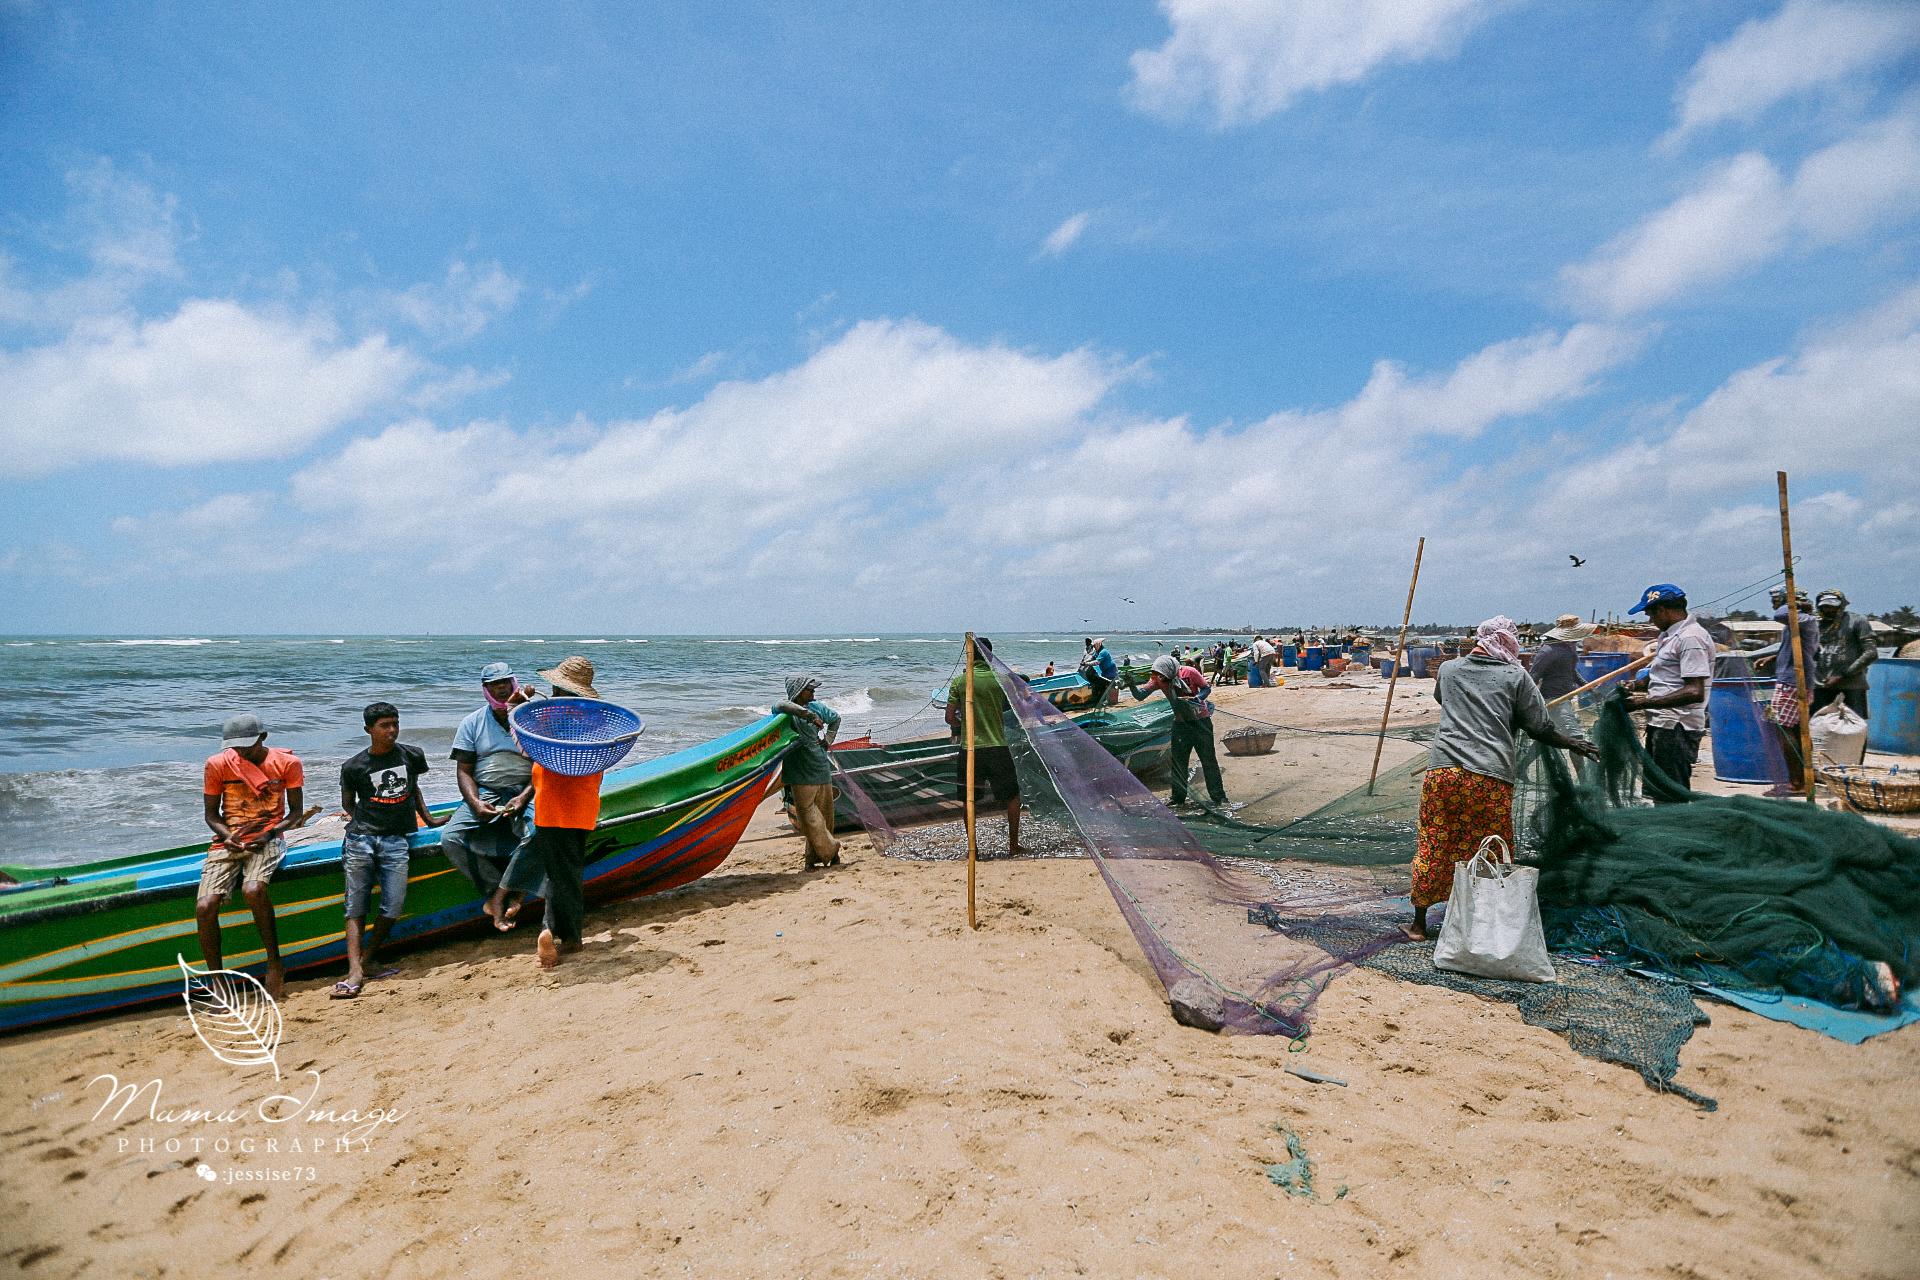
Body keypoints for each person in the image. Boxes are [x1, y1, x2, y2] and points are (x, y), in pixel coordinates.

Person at [1407, 617, 1597, 940]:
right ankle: (1486, 924)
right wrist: (1573, 742)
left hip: (1443, 774)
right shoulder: (1515, 675)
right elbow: (1540, 727)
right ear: (1508, 643)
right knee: (1491, 847)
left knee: (1435, 841)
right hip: (1490, 778)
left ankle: (1419, 925)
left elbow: (1443, 699)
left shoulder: (1449, 670)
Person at [488, 656, 606, 968]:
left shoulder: (554, 725)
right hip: (582, 807)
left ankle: (555, 933)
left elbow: (524, 744)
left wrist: (514, 706)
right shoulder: (593, 724)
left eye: (555, 690)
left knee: (561, 875)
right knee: (566, 872)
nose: (552, 695)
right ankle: (566, 936)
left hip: (553, 807)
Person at [334, 702, 445, 999]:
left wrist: (430, 820)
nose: (392, 731)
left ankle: (368, 960)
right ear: (368, 729)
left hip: (397, 839)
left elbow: (414, 789)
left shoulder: (411, 755)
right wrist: (370, 820)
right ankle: (354, 969)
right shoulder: (354, 766)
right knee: (356, 905)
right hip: (360, 839)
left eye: (395, 724)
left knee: (393, 905)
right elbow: (348, 805)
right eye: (385, 726)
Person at [197, 713, 307, 997]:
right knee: (205, 907)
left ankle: (274, 963)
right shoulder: (218, 764)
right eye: (236, 746)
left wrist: (268, 834)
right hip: (229, 840)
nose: (241, 751)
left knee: (253, 889)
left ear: (263, 737)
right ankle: (217, 980)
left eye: (248, 745)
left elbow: (295, 814)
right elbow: (211, 815)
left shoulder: (287, 763)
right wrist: (227, 836)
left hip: (266, 837)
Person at [441, 662, 538, 915]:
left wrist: (523, 796)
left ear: (514, 683)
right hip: (487, 790)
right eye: (495, 685)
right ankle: (497, 891)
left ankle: (514, 892)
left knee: (538, 832)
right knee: (450, 838)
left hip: (527, 788)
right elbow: (464, 770)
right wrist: (474, 802)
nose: (502, 689)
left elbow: (543, 765)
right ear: (485, 689)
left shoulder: (530, 717)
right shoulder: (472, 722)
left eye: (506, 682)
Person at [1623, 584, 1714, 799]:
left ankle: (1676, 831)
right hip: (1662, 724)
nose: (1649, 620)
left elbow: (1694, 691)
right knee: (1659, 790)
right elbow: (1664, 674)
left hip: (1677, 727)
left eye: (1650, 614)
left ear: (1662, 610)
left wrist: (1642, 702)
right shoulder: (1670, 636)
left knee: (1671, 793)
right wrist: (1636, 685)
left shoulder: (1690, 639)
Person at [945, 638, 1027, 855]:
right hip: (997, 745)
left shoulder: (960, 682)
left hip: (970, 748)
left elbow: (949, 717)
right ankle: (1013, 845)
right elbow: (1016, 707)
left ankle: (973, 849)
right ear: (990, 656)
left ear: (969, 656)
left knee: (969, 800)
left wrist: (963, 724)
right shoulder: (1000, 680)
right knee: (1012, 796)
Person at [1125, 655, 1229, 811]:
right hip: (1180, 724)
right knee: (1179, 762)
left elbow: (1206, 688)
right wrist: (1131, 685)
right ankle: (1178, 798)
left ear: (1172, 672)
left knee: (1208, 760)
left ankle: (1219, 797)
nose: (1162, 680)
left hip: (1201, 722)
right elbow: (1140, 695)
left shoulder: (1189, 672)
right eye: (1160, 678)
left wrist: (1197, 698)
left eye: (1165, 677)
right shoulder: (1158, 679)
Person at [774, 674, 842, 870]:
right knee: (808, 818)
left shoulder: (818, 707)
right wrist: (808, 716)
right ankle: (831, 850)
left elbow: (836, 719)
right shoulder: (786, 712)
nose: (813, 692)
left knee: (825, 817)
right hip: (799, 771)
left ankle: (813, 860)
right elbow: (781, 704)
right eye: (809, 689)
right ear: (797, 691)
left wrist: (828, 740)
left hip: (820, 767)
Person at [1755, 589, 1819, 791]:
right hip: (1793, 680)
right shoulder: (1800, 622)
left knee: (1784, 729)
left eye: (1776, 600)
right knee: (1793, 730)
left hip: (1792, 683)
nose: (1774, 605)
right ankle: (1801, 778)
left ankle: (1796, 782)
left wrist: (1789, 602)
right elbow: (1797, 648)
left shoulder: (1803, 619)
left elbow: (1780, 614)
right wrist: (1773, 658)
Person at [1813, 589, 1877, 719]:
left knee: (1852, 728)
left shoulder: (1857, 621)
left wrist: (1842, 675)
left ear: (1841, 605)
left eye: (1832, 607)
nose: (1828, 610)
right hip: (1821, 686)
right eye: (1824, 607)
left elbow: (1871, 653)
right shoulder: (1816, 625)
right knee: (1821, 727)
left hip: (1851, 686)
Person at [1529, 614, 1594, 740]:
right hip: (1554, 700)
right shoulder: (1548, 651)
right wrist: (1530, 702)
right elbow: (1533, 677)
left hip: (1566, 697)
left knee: (1547, 739)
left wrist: (1588, 687)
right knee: (1577, 737)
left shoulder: (1568, 648)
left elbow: (1572, 672)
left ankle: (1522, 760)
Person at [1079, 637, 1118, 707]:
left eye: (1094, 646)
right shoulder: (1097, 652)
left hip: (1110, 671)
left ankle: (1103, 701)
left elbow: (1097, 662)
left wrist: (1086, 664)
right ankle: (1100, 700)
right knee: (1101, 683)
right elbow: (1092, 658)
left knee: (1105, 685)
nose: (1093, 647)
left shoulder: (1103, 652)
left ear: (1098, 645)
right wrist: (1084, 662)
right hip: (1104, 671)